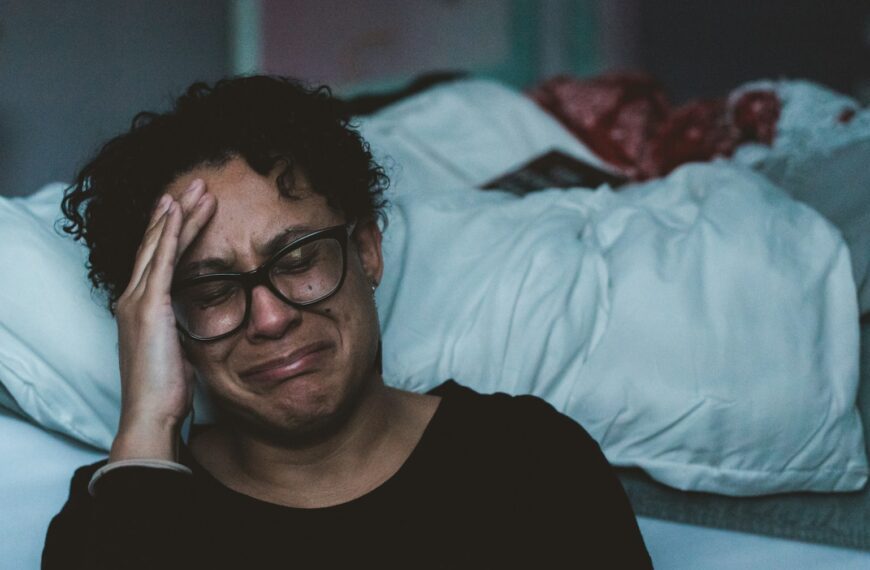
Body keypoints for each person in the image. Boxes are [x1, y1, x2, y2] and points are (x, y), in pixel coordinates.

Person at [41, 75, 652, 569]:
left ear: (366, 251)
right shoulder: (113, 512)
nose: (272, 317)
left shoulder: (529, 460)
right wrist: (148, 426)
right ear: (166, 322)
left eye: (300, 259)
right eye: (211, 289)